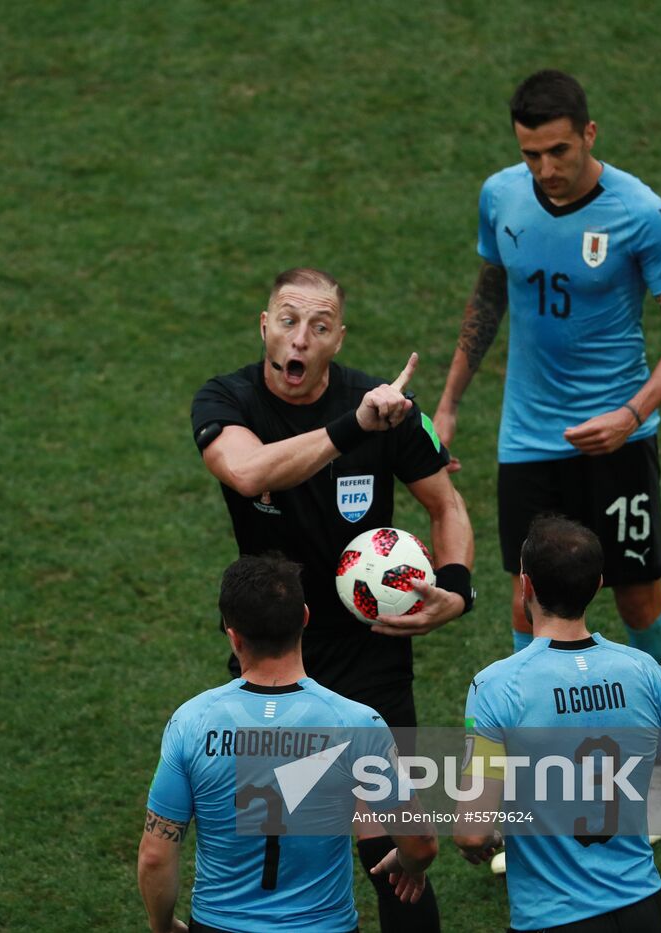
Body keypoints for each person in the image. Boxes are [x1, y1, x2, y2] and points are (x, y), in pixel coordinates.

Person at [432, 69, 661, 832]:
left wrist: (632, 413)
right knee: (528, 600)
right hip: (528, 439)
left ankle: (658, 766)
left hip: (616, 442)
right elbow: (492, 292)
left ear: (589, 135)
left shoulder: (640, 214)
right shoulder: (502, 196)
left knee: (636, 601)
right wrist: (450, 404)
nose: (545, 170)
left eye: (558, 150)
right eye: (531, 154)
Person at [190, 267, 475, 929]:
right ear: (265, 326)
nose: (301, 338)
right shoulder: (225, 400)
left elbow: (448, 503)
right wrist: (354, 426)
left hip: (371, 653)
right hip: (275, 649)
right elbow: (249, 470)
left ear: (337, 339)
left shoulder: (387, 407)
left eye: (319, 326)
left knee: (399, 849)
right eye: (288, 320)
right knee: (280, 838)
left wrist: (456, 589)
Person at [447, 515, 661, 932]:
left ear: (527, 586)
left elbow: (471, 832)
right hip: (643, 911)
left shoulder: (496, 687)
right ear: (597, 586)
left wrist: (487, 837)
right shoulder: (646, 671)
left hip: (552, 918)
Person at [138, 554, 436, 933]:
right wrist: (410, 863)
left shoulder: (191, 722)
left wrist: (163, 925)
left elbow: (154, 856)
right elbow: (421, 842)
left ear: (233, 636)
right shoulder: (358, 723)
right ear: (306, 618)